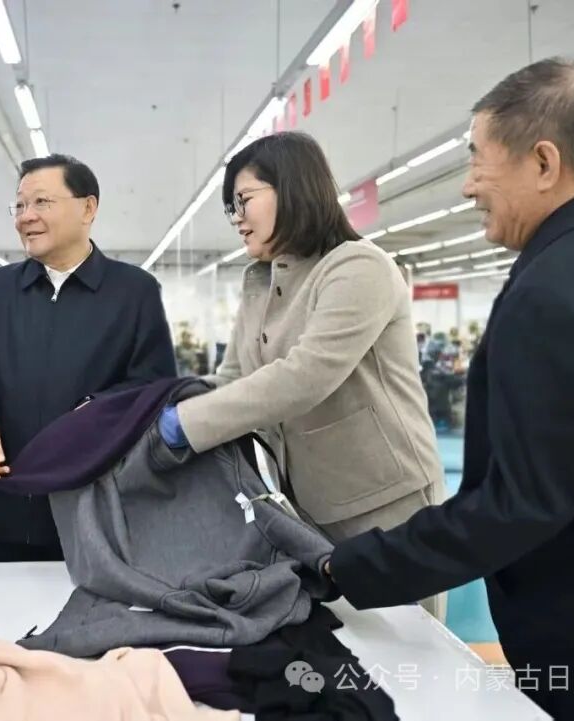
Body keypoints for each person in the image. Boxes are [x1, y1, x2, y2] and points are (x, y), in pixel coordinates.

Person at [327, 58, 574, 719]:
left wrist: (347, 568)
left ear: (544, 162)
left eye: (476, 160)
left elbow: (519, 504)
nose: (468, 186)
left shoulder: (554, 292)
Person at [159, 132, 445, 617]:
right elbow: (234, 377)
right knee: (343, 638)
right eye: (231, 207)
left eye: (243, 200)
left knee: (404, 637)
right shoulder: (261, 281)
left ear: (291, 188)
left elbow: (304, 376)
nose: (237, 218)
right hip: (309, 504)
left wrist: (188, 424)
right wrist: (156, 407)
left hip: (386, 501)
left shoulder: (358, 268)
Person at [0, 153, 176, 562]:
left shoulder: (135, 292)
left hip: (98, 516)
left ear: (88, 208)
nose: (26, 216)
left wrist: (95, 411)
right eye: (20, 205)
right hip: (2, 510)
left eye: (41, 202)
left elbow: (154, 387)